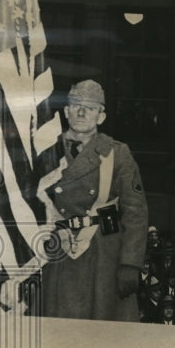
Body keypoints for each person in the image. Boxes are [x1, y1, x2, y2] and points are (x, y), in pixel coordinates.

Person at [38, 80, 149, 322]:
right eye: (76, 105)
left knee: (102, 332)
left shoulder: (116, 153)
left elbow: (135, 212)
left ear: (101, 116)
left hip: (103, 248)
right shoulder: (47, 150)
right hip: (57, 247)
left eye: (90, 107)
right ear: (66, 112)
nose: (81, 112)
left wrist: (130, 263)